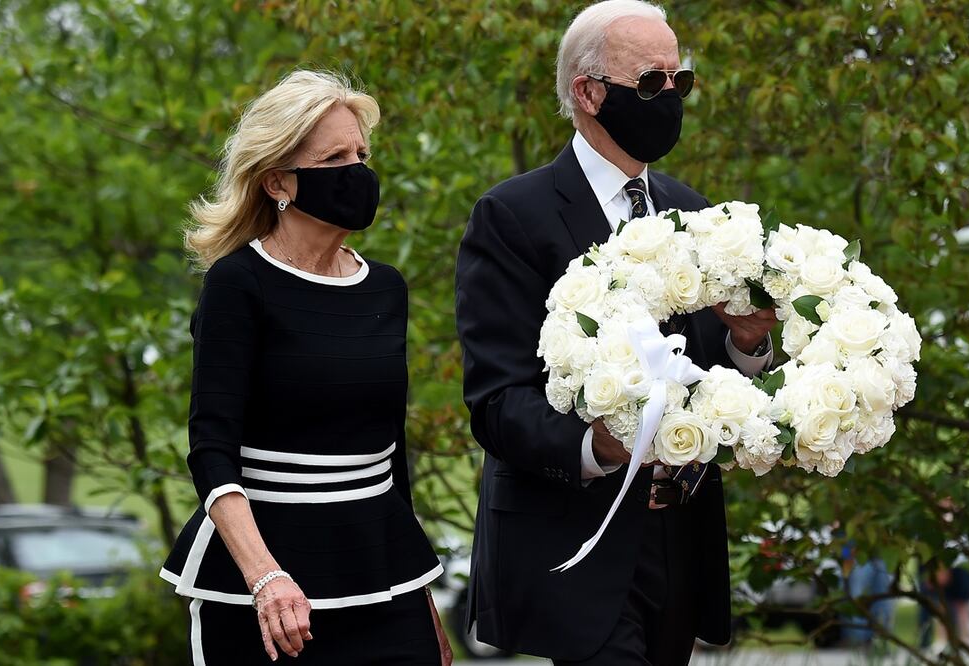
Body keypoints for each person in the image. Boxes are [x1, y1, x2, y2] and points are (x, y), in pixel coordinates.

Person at [455, 2, 776, 663]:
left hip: (678, 543)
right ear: (589, 93)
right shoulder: (514, 216)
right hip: (573, 546)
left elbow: (710, 373)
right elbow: (496, 401)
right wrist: (599, 443)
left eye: (678, 81)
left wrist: (746, 343)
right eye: (651, 83)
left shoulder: (694, 211)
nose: (671, 98)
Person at [159, 70, 451, 665]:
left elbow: (391, 453)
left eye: (362, 154)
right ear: (277, 181)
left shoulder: (385, 289)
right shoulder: (238, 285)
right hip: (265, 586)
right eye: (335, 157)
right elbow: (212, 448)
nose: (359, 170)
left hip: (382, 572)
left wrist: (420, 592)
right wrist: (266, 579)